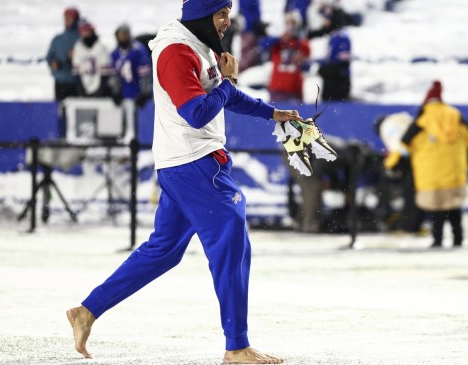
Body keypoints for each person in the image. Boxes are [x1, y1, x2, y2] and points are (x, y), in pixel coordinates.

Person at [65, 1, 302, 363]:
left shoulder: (197, 45)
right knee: (232, 243)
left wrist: (271, 112)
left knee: (164, 251)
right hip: (195, 165)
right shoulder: (177, 52)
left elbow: (224, 95)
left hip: (185, 164)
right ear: (202, 14)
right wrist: (228, 80)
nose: (228, 20)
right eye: (221, 12)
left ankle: (87, 311)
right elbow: (196, 113)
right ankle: (236, 347)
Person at [402, 81, 468, 247]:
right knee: (454, 207)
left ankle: (438, 240)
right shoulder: (457, 117)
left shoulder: (421, 121)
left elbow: (404, 143)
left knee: (437, 210)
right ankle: (458, 240)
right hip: (455, 172)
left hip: (430, 174)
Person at [110, 24, 153, 141]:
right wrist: (116, 91)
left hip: (137, 94)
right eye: (120, 35)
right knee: (123, 125)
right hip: (124, 94)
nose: (122, 38)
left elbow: (145, 74)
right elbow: (115, 75)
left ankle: (139, 145)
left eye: (124, 35)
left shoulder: (138, 50)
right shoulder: (115, 53)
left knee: (140, 126)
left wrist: (145, 93)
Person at [267, 10, 310, 102]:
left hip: (294, 90)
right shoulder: (278, 43)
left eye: (293, 23)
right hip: (277, 89)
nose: (290, 26)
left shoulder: (303, 45)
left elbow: (307, 67)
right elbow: (263, 45)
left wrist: (302, 60)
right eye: (288, 23)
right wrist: (280, 38)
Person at [46, 7, 81, 103]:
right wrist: (53, 63)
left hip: (77, 83)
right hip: (60, 82)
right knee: (60, 111)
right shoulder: (57, 39)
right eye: (65, 17)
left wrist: (74, 58)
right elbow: (49, 57)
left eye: (70, 17)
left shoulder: (81, 39)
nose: (67, 20)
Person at [72, 19, 112, 97]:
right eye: (83, 31)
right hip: (84, 87)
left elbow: (105, 73)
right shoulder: (78, 47)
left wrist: (100, 90)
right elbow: (76, 72)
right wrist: (81, 89)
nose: (85, 33)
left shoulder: (101, 47)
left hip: (99, 88)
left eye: (87, 30)